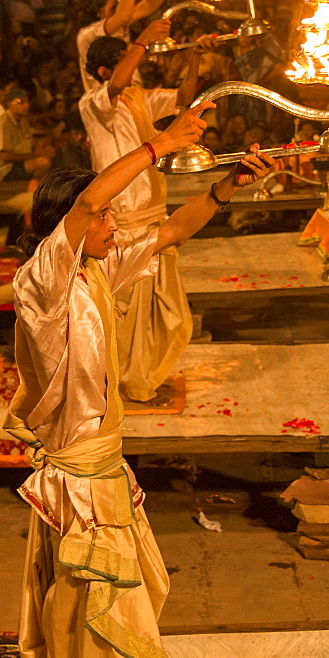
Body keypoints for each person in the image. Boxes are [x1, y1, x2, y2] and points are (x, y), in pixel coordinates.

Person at [8, 107, 271, 658]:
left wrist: (228, 185)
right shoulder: (46, 277)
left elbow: (172, 230)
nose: (112, 225)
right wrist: (161, 143)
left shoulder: (95, 272)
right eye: (99, 221)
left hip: (102, 467)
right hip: (79, 478)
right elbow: (95, 197)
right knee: (93, 610)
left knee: (111, 606)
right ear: (66, 225)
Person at [79, 22, 215, 402]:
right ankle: (121, 382)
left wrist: (194, 57)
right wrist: (144, 39)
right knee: (125, 309)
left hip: (153, 213)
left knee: (166, 307)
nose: (137, 66)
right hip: (121, 219)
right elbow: (117, 85)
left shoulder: (138, 96)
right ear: (106, 71)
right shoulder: (93, 102)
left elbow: (183, 99)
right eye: (127, 61)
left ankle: (138, 377)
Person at [0, 87, 54, 182]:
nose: (26, 105)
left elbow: (28, 141)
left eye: (27, 102)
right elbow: (4, 156)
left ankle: (34, 186)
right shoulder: (3, 123)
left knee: (48, 150)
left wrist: (43, 147)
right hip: (6, 168)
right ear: (9, 103)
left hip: (20, 162)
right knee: (43, 162)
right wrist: (35, 155)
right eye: (20, 102)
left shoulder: (22, 119)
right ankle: (36, 189)